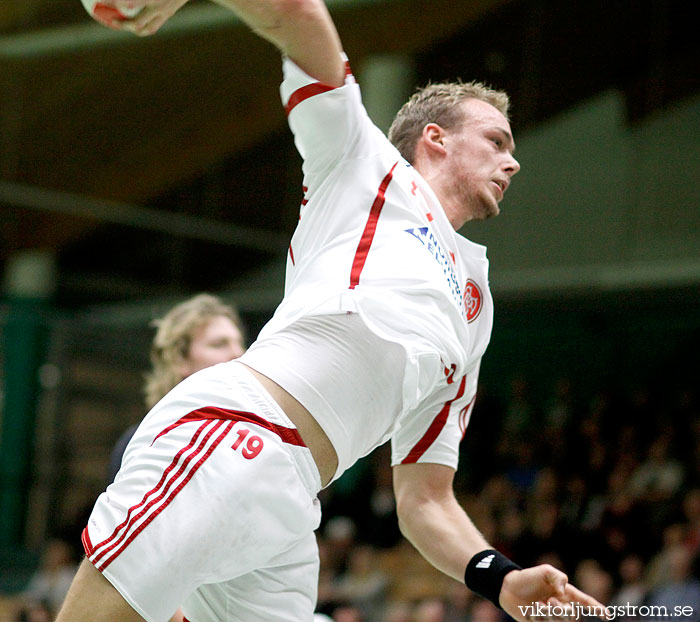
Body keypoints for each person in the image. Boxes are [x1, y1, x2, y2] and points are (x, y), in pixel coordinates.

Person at [57, 1, 607, 621]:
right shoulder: (364, 169)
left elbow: (423, 499)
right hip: (237, 432)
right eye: (496, 140)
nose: (512, 160)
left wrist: (499, 579)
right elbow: (295, 14)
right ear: (435, 139)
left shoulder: (474, 308)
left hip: (292, 509)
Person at [107, 293, 246, 481]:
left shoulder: (257, 433)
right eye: (219, 344)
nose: (238, 353)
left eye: (240, 344)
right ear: (179, 358)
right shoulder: (144, 443)